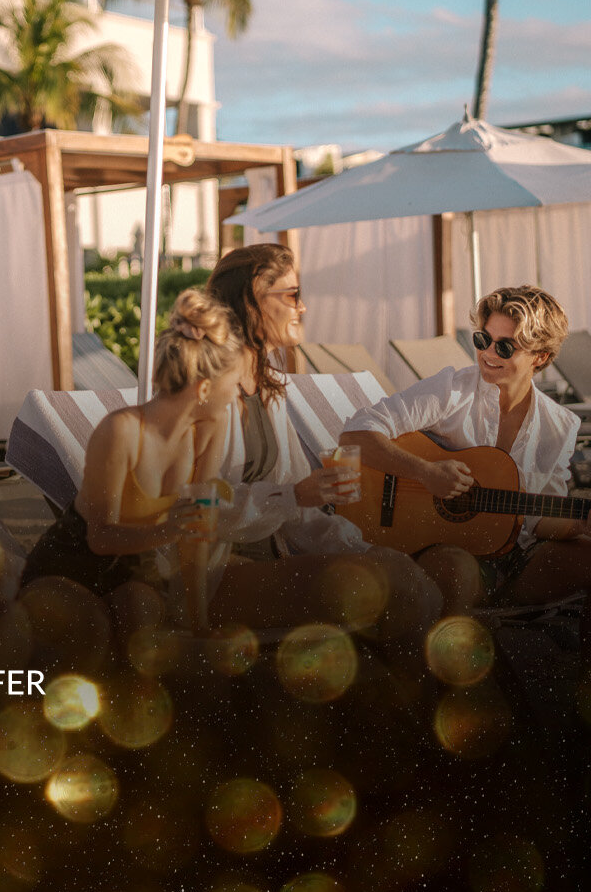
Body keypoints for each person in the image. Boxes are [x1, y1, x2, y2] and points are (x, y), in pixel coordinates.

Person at [341, 285, 591, 668]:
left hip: (518, 561)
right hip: (447, 552)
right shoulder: (451, 390)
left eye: (505, 347)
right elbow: (356, 434)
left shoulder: (559, 426)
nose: (488, 354)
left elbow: (539, 519)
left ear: (540, 357)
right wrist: (425, 472)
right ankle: (444, 694)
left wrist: (580, 526)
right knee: (457, 568)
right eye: (483, 339)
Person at [204, 243, 441, 686]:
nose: (303, 305)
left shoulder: (268, 389)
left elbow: (302, 511)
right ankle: (422, 719)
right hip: (213, 574)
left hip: (267, 562)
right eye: (292, 294)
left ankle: (411, 713)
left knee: (404, 575)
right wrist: (291, 495)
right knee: (382, 587)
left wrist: (363, 547)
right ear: (254, 298)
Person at [22, 289, 241, 604]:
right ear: (204, 388)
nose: (236, 396)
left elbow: (195, 539)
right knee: (96, 633)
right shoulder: (121, 431)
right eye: (234, 385)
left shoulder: (210, 430)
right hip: (70, 564)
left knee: (142, 618)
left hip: (135, 568)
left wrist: (199, 626)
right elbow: (99, 538)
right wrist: (168, 531)